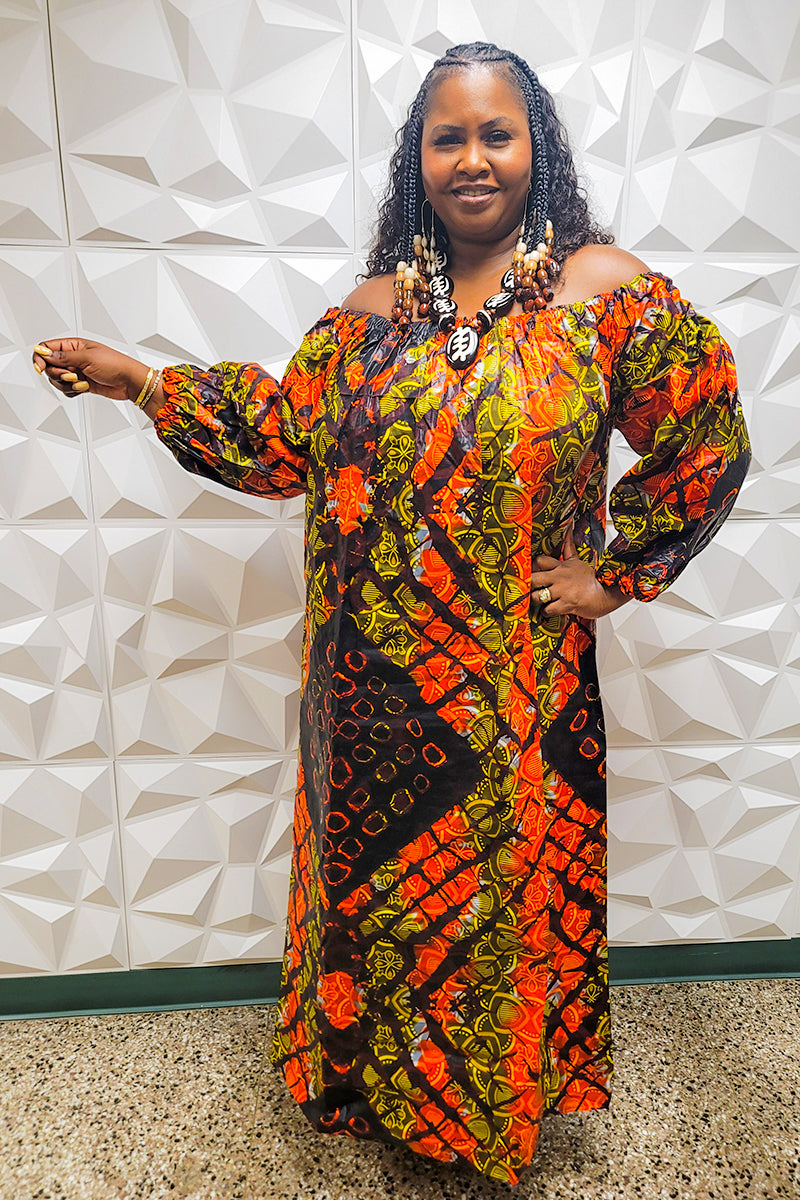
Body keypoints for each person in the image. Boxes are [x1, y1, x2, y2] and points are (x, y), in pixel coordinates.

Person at [31, 41, 751, 1187]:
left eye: (495, 134)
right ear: (417, 160)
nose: (472, 159)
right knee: (378, 910)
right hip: (364, 695)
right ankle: (381, 1102)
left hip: (515, 692)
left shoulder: (603, 294)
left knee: (494, 911)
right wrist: (144, 381)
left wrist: (616, 576)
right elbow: (281, 441)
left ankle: (482, 1118)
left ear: (537, 149)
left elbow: (704, 434)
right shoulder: (372, 313)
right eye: (446, 137)